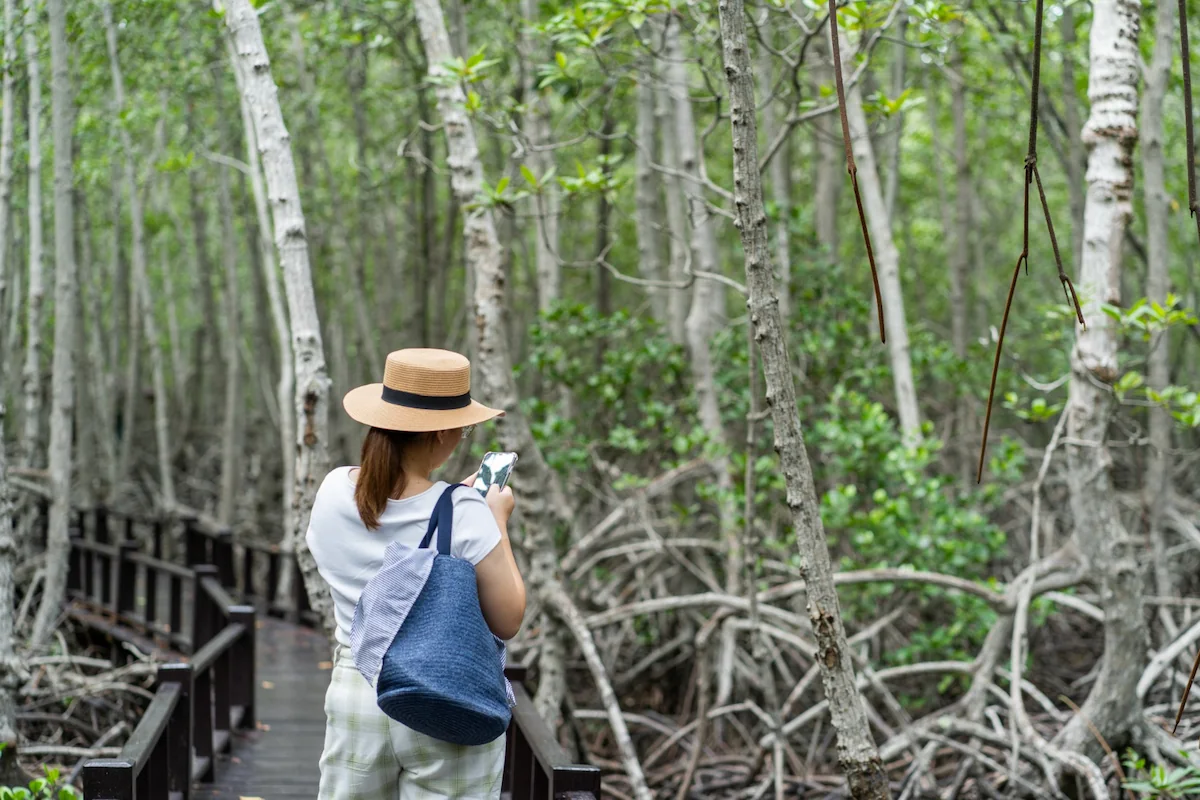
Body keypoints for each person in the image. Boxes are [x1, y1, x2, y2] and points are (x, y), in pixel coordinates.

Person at [307, 348, 527, 799]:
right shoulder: (465, 512)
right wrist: (496, 520)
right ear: (442, 432)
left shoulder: (332, 490)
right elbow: (508, 618)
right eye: (464, 429)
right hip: (445, 690)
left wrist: (460, 507)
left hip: (358, 689)